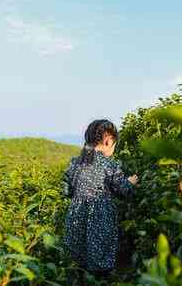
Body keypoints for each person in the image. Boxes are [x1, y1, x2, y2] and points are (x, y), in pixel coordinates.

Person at [62, 119, 139, 284]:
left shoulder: (74, 163)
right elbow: (123, 190)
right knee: (100, 265)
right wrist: (131, 182)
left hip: (75, 217)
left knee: (78, 263)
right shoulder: (109, 165)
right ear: (108, 140)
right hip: (100, 219)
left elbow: (66, 191)